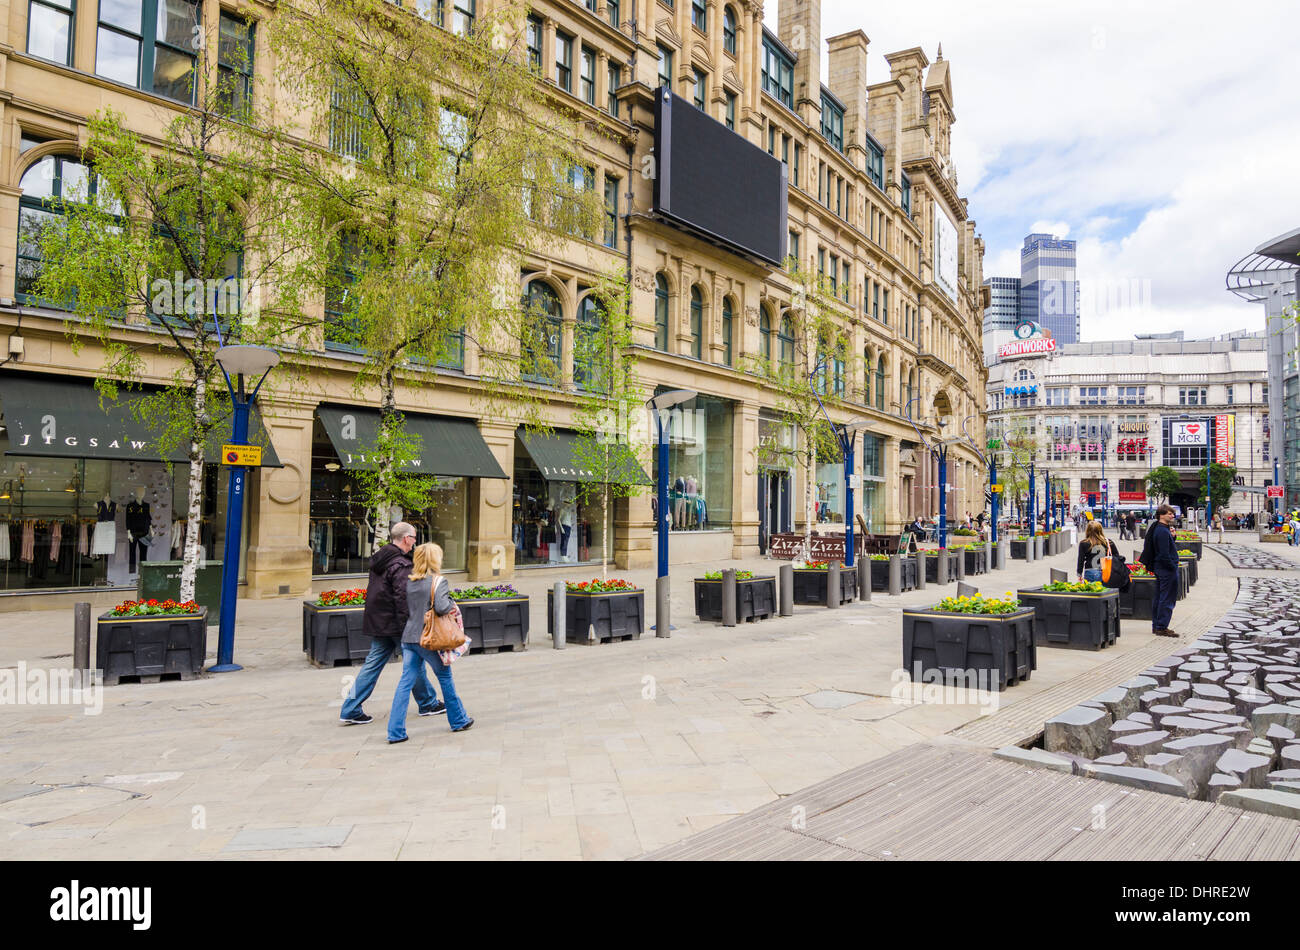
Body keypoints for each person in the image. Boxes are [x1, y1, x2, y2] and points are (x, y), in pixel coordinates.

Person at [340, 522, 443, 725]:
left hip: (380, 621)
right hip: (396, 623)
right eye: (413, 538)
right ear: (406, 539)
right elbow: (402, 598)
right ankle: (428, 703)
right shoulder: (401, 563)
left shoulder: (381, 558)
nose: (415, 542)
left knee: (373, 664)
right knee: (414, 661)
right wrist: (411, 625)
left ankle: (350, 708)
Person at [388, 542, 473, 743]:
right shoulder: (439, 581)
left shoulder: (410, 582)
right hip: (429, 638)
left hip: (409, 637)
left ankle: (395, 732)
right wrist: (451, 600)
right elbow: (443, 608)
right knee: (445, 676)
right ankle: (459, 720)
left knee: (404, 683)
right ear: (436, 559)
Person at [1139, 504, 1180, 638]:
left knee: (1160, 597)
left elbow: (1164, 547)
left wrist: (1173, 537)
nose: (1172, 516)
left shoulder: (1159, 528)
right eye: (1169, 513)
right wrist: (1172, 566)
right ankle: (1162, 626)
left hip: (1161, 568)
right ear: (1161, 515)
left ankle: (1157, 625)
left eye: (1172, 514)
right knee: (1167, 598)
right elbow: (1163, 553)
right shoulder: (1162, 531)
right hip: (1166, 569)